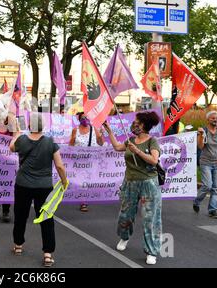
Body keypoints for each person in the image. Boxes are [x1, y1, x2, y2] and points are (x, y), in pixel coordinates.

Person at [9, 112, 68, 267]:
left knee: (20, 215)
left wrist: (16, 133)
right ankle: (48, 254)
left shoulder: (22, 140)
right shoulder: (50, 142)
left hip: (23, 184)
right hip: (44, 186)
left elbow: (11, 147)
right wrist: (64, 181)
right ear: (43, 126)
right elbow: (60, 165)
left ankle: (18, 245)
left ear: (29, 126)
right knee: (47, 219)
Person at [103, 111, 162, 265]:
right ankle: (124, 237)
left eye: (137, 122)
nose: (134, 124)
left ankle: (151, 251)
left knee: (150, 218)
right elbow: (117, 147)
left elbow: (154, 160)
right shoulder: (130, 140)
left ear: (144, 125)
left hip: (149, 183)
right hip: (130, 182)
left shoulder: (152, 141)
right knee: (126, 214)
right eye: (134, 122)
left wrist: (138, 151)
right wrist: (109, 131)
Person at [193, 111, 217, 219]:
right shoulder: (203, 131)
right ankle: (197, 201)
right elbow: (200, 147)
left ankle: (212, 210)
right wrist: (201, 135)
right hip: (205, 162)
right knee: (207, 185)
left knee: (215, 188)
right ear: (208, 120)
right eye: (213, 118)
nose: (215, 120)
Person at [69, 112, 105, 212]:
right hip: (79, 161)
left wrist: (101, 135)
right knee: (82, 181)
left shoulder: (94, 129)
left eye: (87, 117)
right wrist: (71, 157)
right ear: (79, 119)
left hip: (92, 161)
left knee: (88, 181)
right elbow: (70, 146)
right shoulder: (75, 130)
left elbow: (101, 144)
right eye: (83, 117)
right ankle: (83, 202)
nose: (85, 119)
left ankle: (84, 198)